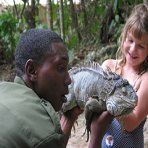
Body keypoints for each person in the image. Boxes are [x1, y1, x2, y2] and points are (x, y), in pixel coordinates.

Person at [0, 28, 113, 148]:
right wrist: (97, 135)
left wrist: (69, 119)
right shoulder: (41, 130)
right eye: (60, 68)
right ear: (32, 70)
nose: (68, 80)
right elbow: (46, 140)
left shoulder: (3, 90)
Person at [101, 3, 148, 148]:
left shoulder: (145, 79)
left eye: (141, 46)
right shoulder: (108, 66)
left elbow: (130, 123)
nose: (133, 49)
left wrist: (109, 93)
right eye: (131, 40)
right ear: (123, 37)